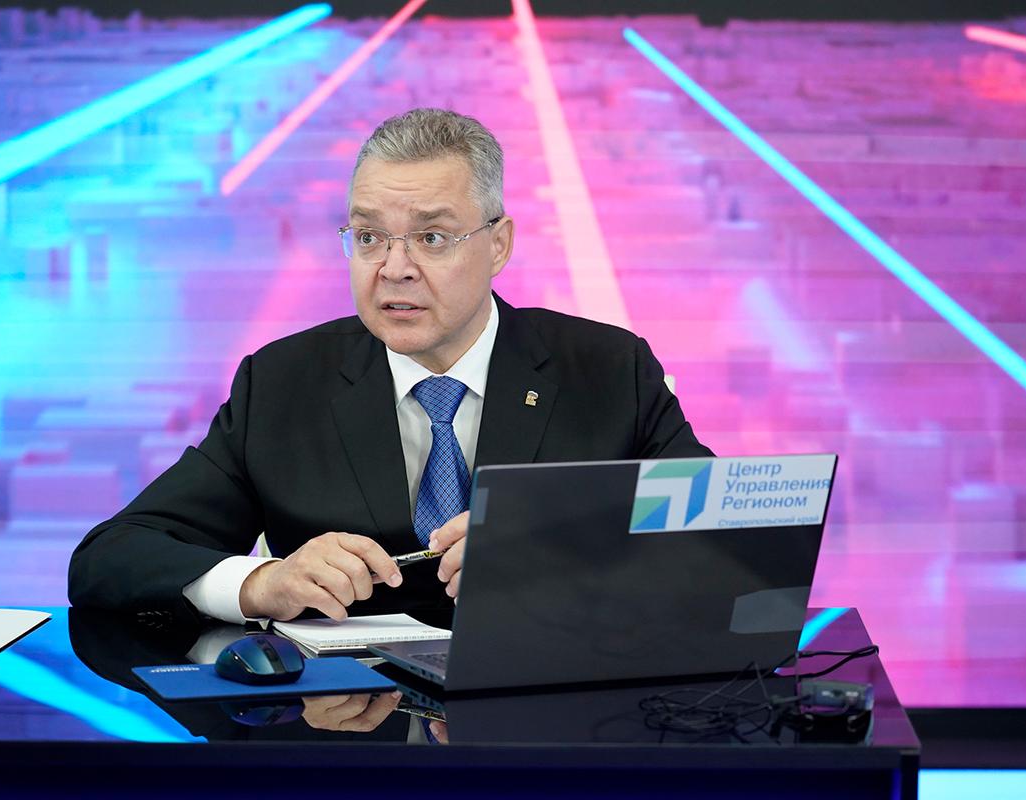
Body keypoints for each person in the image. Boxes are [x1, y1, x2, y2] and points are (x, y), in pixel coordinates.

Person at [68, 108, 711, 624]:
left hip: (555, 716)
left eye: (431, 238)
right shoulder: (282, 383)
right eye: (370, 237)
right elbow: (111, 558)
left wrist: (571, 547)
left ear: (498, 245)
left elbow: (724, 541)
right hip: (351, 723)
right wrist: (261, 582)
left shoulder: (608, 369)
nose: (394, 268)